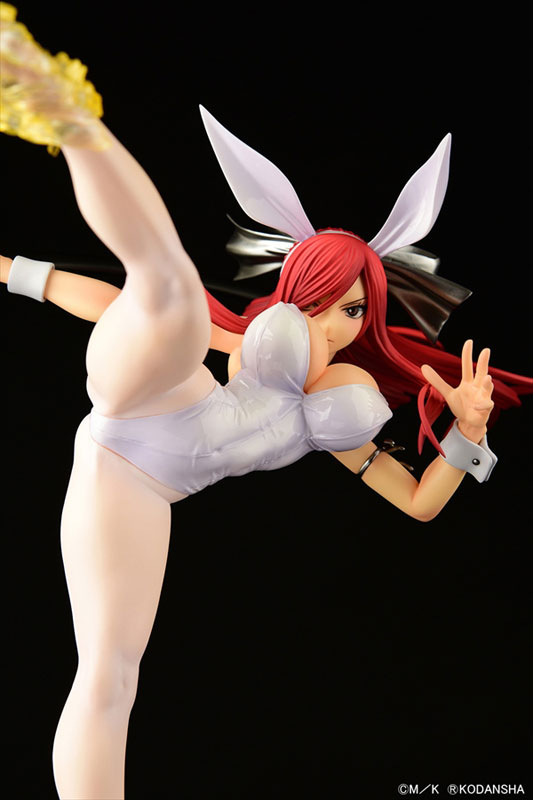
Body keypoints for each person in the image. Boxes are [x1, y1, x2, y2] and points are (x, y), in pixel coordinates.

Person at [1, 7, 531, 799]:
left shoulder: (343, 412)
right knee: (169, 291)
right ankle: (65, 112)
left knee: (111, 675)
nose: (333, 324)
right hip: (156, 397)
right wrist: (11, 271)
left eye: (352, 309)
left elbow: (419, 502)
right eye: (320, 299)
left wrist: (466, 431)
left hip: (142, 483)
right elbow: (118, 304)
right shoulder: (258, 334)